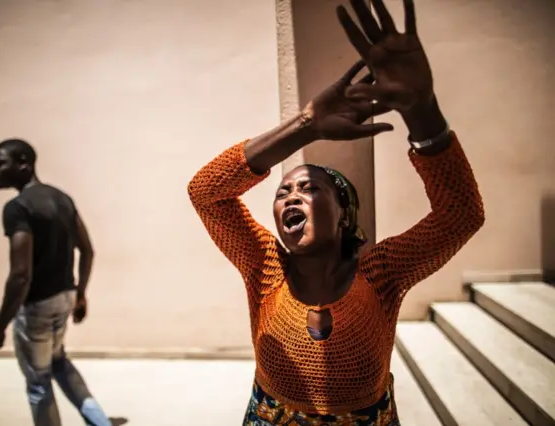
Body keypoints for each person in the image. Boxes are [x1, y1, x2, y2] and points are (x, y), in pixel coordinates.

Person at [188, 0, 485, 424]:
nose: (291, 196)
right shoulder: (263, 265)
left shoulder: (382, 274)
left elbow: (461, 214)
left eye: (309, 188)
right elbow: (206, 192)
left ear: (345, 215)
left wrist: (421, 108)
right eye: (283, 191)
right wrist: (305, 124)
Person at [0, 138, 112, 426]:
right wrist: (80, 295)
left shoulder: (17, 208)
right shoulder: (62, 198)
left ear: (24, 163)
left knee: (38, 381)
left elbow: (21, 275)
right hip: (64, 298)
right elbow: (87, 249)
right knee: (58, 363)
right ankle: (100, 422)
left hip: (37, 307)